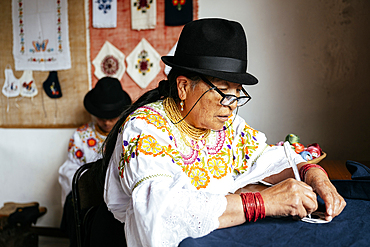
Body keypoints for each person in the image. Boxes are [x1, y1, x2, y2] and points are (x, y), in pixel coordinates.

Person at [98, 18, 346, 247]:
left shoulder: (226, 126)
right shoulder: (146, 128)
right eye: (224, 90)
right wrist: (262, 202)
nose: (233, 103)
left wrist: (313, 173)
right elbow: (160, 212)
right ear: (183, 87)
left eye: (238, 92)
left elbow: (267, 159)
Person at [58, 77, 131, 247]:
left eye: (112, 117)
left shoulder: (127, 132)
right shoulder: (81, 136)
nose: (106, 122)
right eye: (101, 117)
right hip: (90, 196)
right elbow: (70, 170)